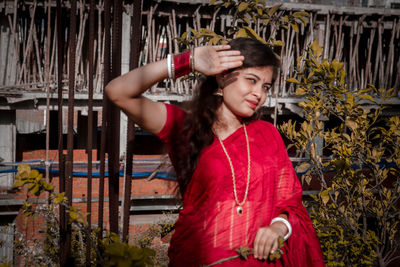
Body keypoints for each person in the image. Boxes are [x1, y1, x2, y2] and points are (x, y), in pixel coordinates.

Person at [106, 37, 325, 266]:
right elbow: (118, 92)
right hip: (197, 258)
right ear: (222, 76)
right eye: (251, 80)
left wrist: (279, 227)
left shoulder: (267, 135)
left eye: (265, 87)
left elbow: (290, 201)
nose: (259, 94)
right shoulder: (185, 127)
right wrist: (188, 60)